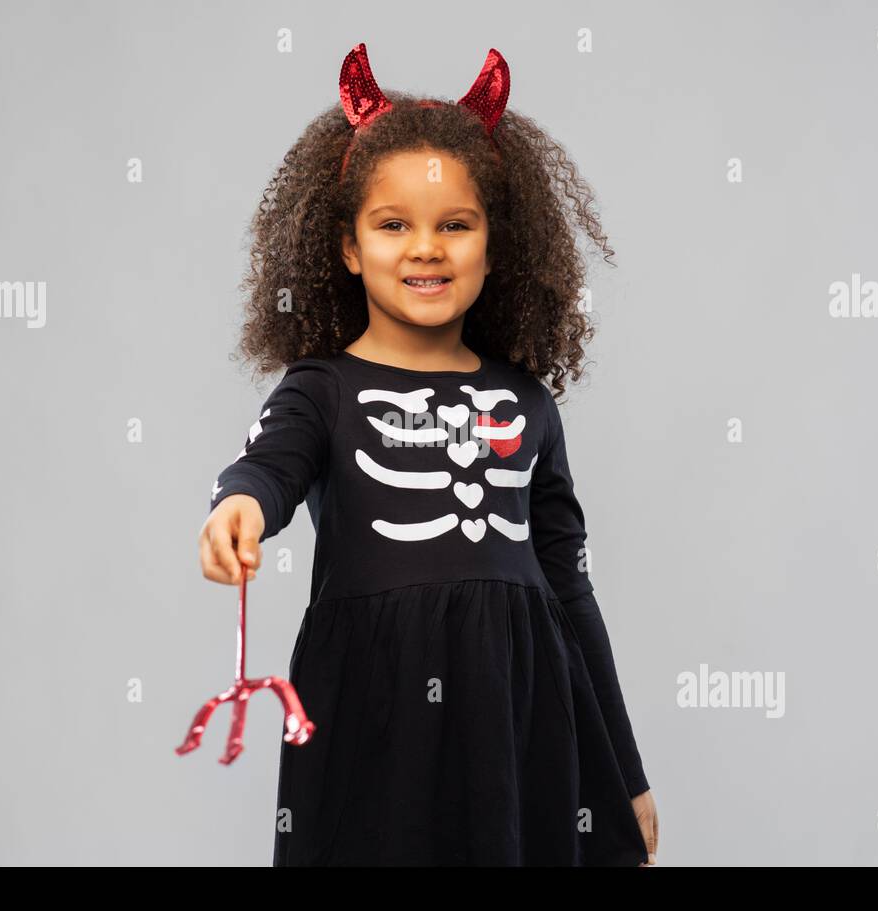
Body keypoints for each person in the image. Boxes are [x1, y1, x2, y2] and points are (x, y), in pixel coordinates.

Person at [200, 42, 659, 866]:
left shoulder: (529, 404)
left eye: (455, 224)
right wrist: (240, 507)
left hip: (521, 718)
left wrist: (625, 774)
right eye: (393, 225)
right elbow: (268, 465)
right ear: (347, 248)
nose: (425, 247)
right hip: (371, 710)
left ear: (494, 245)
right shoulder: (322, 390)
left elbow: (571, 589)